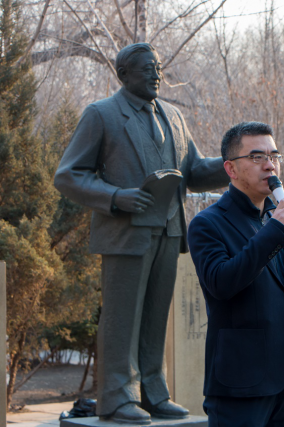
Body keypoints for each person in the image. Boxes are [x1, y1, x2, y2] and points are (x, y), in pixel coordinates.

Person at [53, 43, 229, 424]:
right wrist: (115, 197)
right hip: (125, 234)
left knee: (154, 319)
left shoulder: (174, 117)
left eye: (159, 68)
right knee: (122, 320)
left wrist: (235, 163)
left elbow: (195, 171)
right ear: (124, 74)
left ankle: (152, 393)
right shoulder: (102, 115)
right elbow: (68, 175)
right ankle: (118, 398)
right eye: (147, 68)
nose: (156, 75)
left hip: (169, 231)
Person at [187, 122, 284, 426]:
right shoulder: (208, 224)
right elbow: (222, 283)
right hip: (240, 383)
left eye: (274, 157)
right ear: (231, 169)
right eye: (257, 157)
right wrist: (274, 230)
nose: (269, 166)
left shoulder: (279, 221)